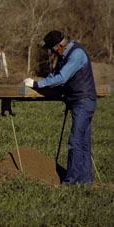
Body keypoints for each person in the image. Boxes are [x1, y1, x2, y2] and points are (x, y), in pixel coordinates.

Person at [23, 30, 97, 186]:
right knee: (82, 142)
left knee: (75, 141)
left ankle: (70, 182)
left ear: (59, 46)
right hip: (79, 101)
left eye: (51, 49)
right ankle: (84, 182)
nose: (51, 52)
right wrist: (38, 82)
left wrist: (36, 85)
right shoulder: (64, 56)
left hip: (83, 101)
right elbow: (53, 75)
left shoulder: (76, 55)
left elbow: (62, 77)